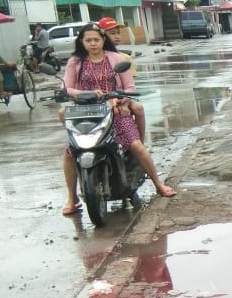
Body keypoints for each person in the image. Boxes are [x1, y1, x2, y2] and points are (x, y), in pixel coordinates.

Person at [60, 23, 175, 216]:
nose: (93, 44)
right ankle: (72, 198)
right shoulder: (75, 62)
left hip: (114, 109)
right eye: (88, 40)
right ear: (82, 41)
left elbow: (129, 86)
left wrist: (121, 100)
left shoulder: (117, 58)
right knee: (69, 152)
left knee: (136, 146)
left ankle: (158, 183)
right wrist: (84, 93)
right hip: (87, 112)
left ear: (103, 40)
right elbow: (67, 88)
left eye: (96, 40)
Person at [96, 17, 146, 143]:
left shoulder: (124, 58)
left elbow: (130, 86)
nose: (117, 36)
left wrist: (124, 103)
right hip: (97, 100)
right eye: (112, 33)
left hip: (120, 97)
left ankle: (140, 142)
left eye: (118, 33)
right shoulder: (90, 58)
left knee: (138, 108)